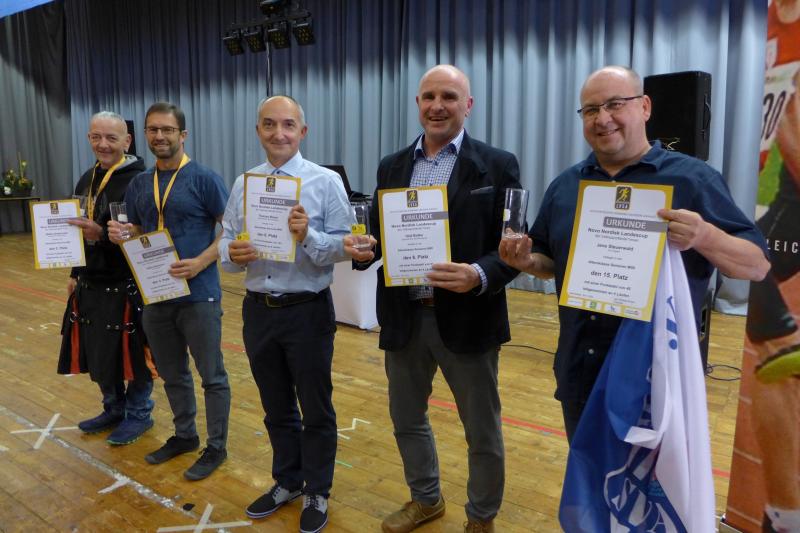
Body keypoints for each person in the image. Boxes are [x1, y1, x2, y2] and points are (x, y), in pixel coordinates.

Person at [499, 65, 770, 444]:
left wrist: (705, 236)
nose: (602, 118)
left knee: (652, 481)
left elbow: (757, 264)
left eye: (615, 104)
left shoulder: (692, 179)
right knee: (589, 474)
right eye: (590, 110)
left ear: (644, 107)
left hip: (657, 380)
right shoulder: (566, 186)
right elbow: (550, 263)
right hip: (581, 371)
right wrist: (527, 262)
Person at [346, 64, 522, 533]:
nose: (437, 106)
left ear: (468, 105)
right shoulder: (391, 165)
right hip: (405, 317)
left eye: (448, 96)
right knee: (407, 419)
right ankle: (426, 499)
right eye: (428, 97)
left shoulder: (497, 164)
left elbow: (513, 249)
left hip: (468, 317)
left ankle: (481, 517)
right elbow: (378, 236)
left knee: (481, 430)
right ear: (418, 104)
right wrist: (364, 249)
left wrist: (478, 274)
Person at [218, 95, 352, 533]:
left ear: (302, 131)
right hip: (258, 311)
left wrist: (307, 234)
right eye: (270, 124)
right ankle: (288, 481)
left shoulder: (326, 182)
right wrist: (232, 253)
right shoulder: (244, 184)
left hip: (307, 312)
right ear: (258, 130)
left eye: (288, 125)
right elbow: (225, 242)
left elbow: (345, 246)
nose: (279, 133)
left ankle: (317, 489)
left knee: (316, 408)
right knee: (275, 406)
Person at [108, 102, 231, 481]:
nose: (159, 136)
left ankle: (216, 447)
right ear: (144, 135)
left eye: (167, 129)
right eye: (153, 130)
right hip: (157, 295)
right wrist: (124, 234)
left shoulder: (204, 178)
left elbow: (231, 229)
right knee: (173, 373)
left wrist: (200, 262)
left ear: (183, 135)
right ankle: (185, 435)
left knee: (212, 376)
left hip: (198, 294)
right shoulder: (139, 183)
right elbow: (139, 229)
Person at [58, 111, 155, 446]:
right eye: (96, 137)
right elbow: (77, 229)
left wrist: (102, 234)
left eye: (111, 138)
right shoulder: (87, 178)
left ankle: (139, 414)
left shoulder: (142, 180)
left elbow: (149, 233)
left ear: (127, 141)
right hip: (91, 280)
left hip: (129, 280)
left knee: (134, 353)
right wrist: (75, 272)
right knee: (100, 350)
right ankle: (113, 408)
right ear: (88, 138)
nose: (103, 144)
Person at [746, 1, 800, 530]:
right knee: (773, 349)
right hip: (780, 201)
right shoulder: (775, 25)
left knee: (776, 349)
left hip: (791, 197)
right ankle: (784, 515)